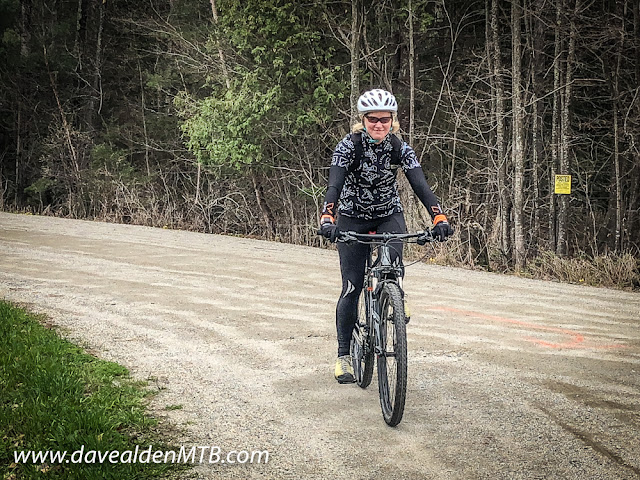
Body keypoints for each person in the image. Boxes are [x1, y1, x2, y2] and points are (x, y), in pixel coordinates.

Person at [319, 88, 453, 384]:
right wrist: (328, 216)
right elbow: (334, 185)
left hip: (387, 214)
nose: (379, 124)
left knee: (392, 261)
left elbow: (420, 184)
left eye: (385, 119)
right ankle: (343, 356)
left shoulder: (399, 148)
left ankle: (394, 294)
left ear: (393, 120)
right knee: (352, 287)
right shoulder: (348, 146)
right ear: (363, 119)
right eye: (373, 119)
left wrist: (438, 215)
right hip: (352, 216)